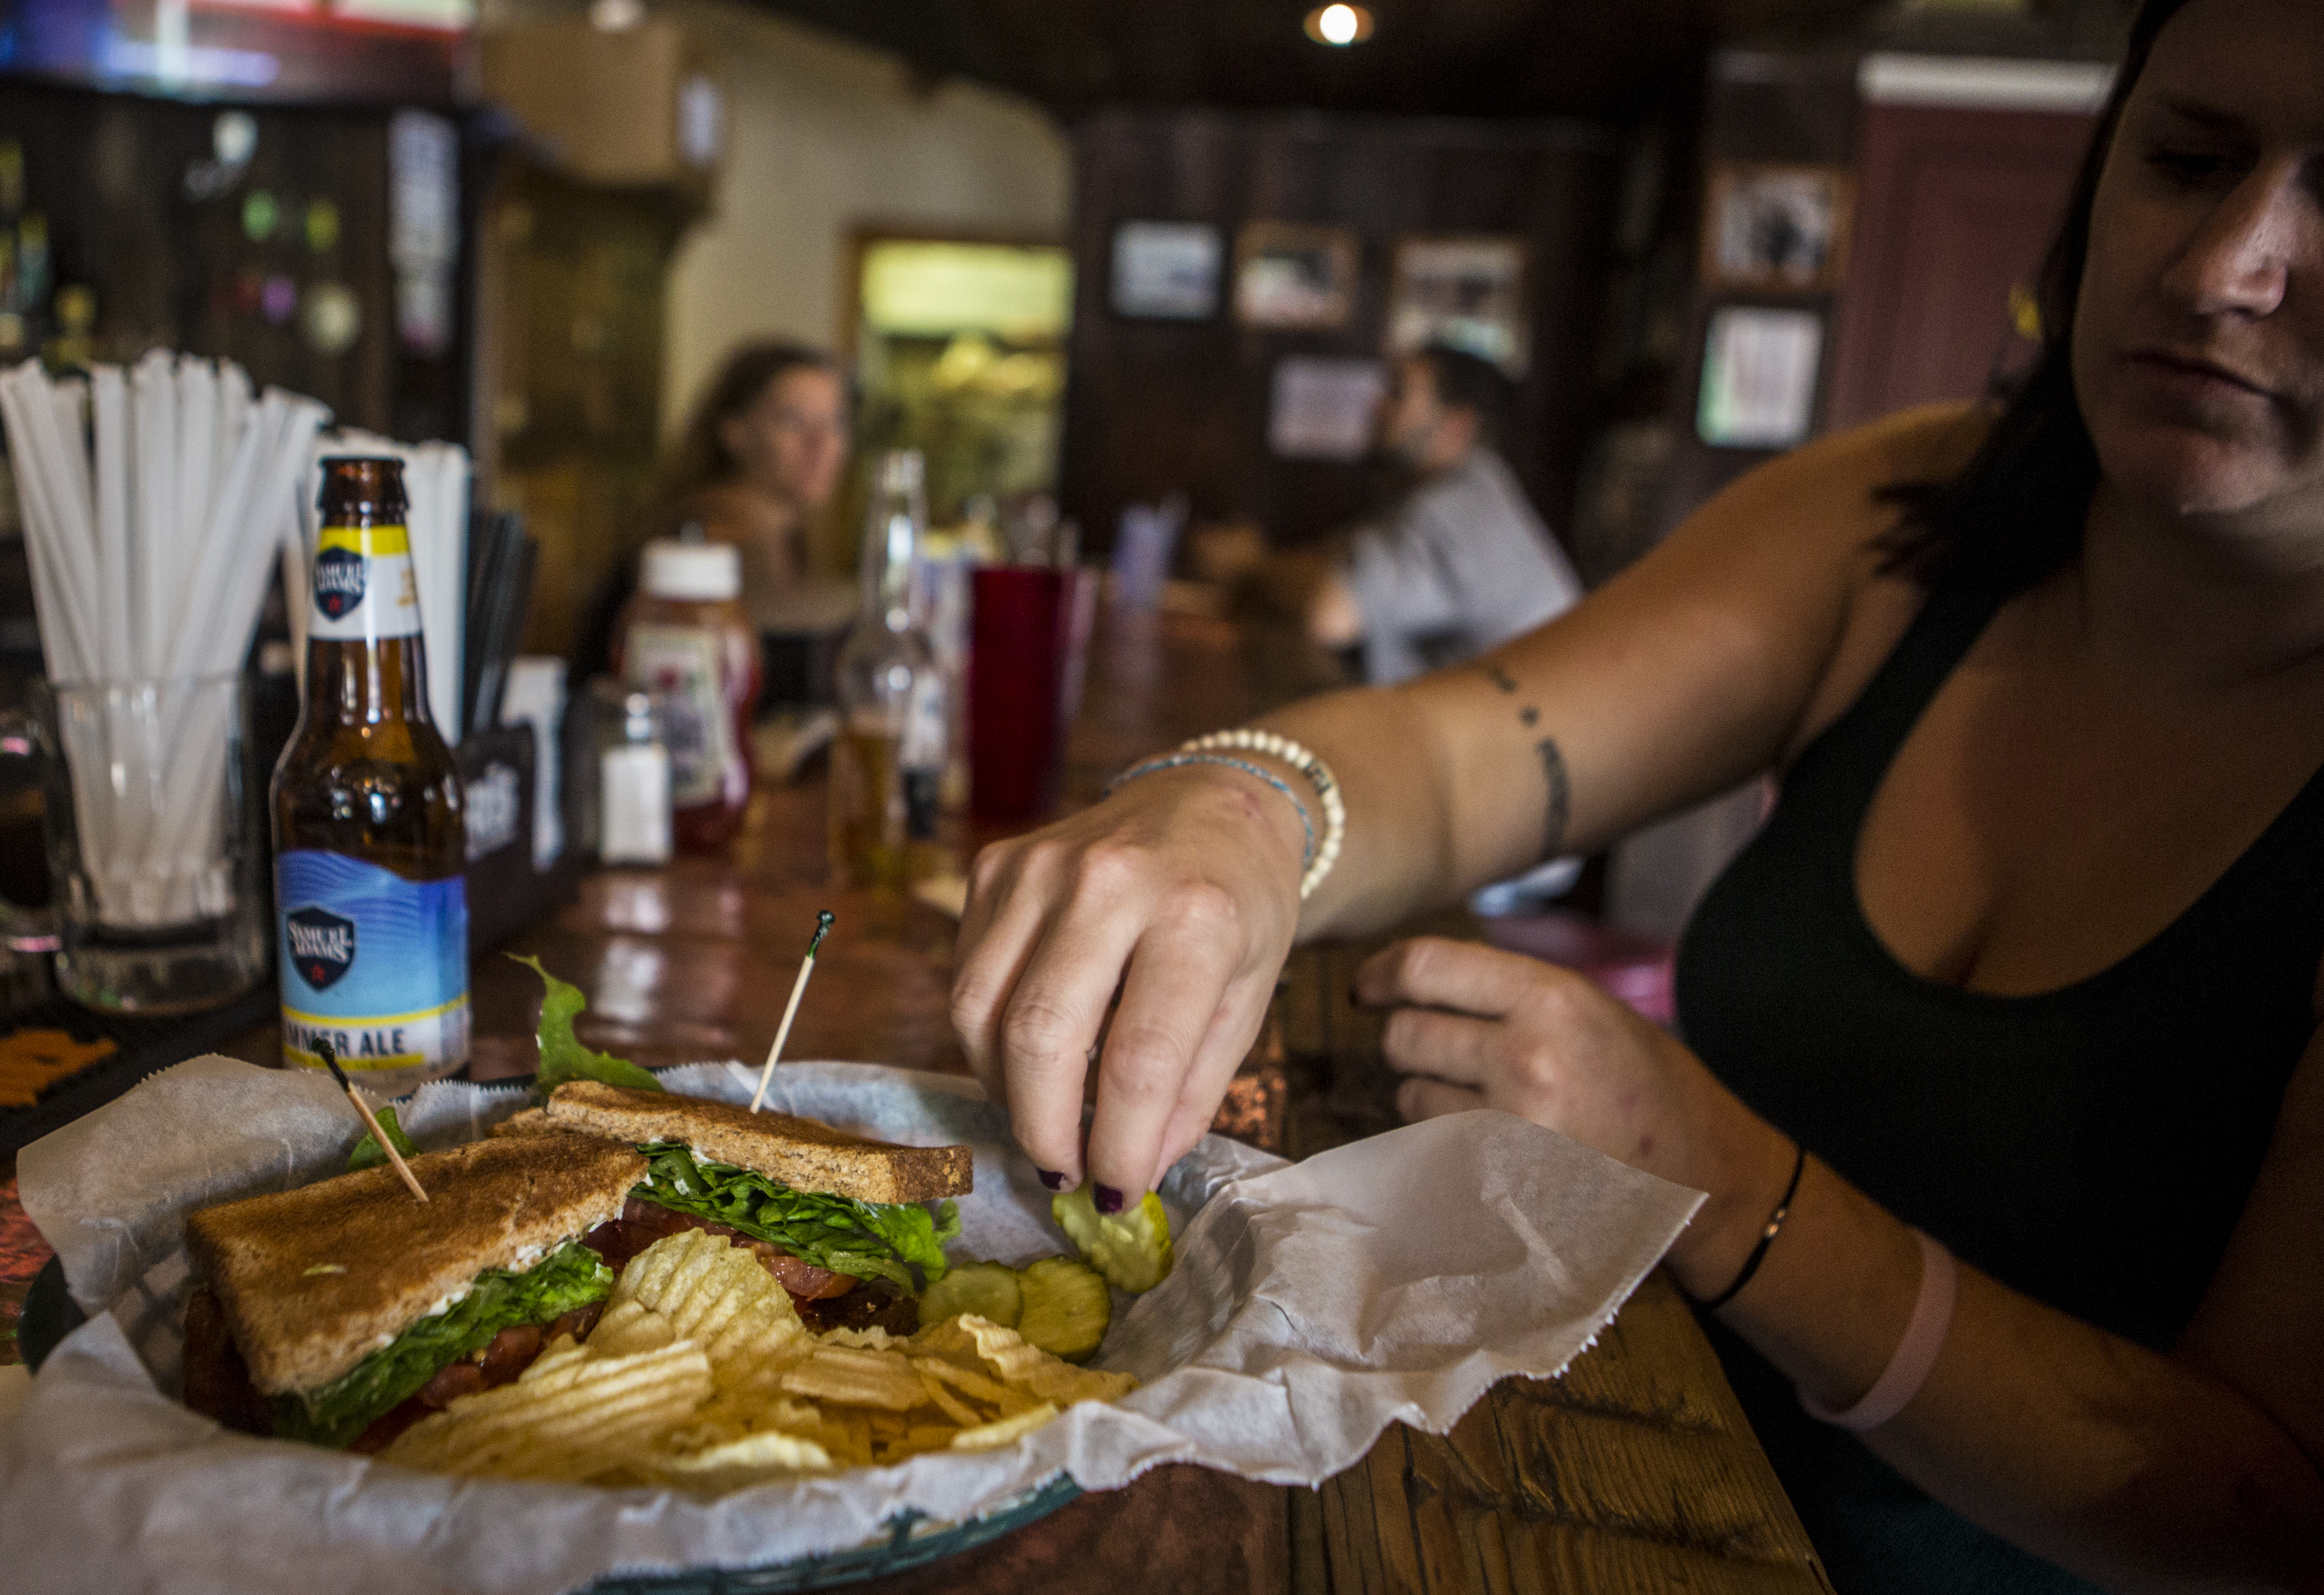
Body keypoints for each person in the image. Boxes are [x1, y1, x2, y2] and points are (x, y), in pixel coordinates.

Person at [948, 0, 2324, 1587]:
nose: (2224, 263)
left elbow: (2266, 1505)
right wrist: (1242, 809)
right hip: (1604, 1469)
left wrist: (1699, 1164)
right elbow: (1464, 758)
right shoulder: (1906, 510)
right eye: (2187, 156)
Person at [1303, 343, 1582, 687]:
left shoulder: (1459, 509)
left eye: (1398, 393)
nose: (1377, 405)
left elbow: (1331, 618)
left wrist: (1252, 572)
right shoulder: (1481, 488)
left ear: (1456, 425)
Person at [578, 341, 851, 680]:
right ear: (734, 432)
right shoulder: (700, 535)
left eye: (835, 422)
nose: (822, 444)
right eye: (793, 421)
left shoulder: (790, 539)